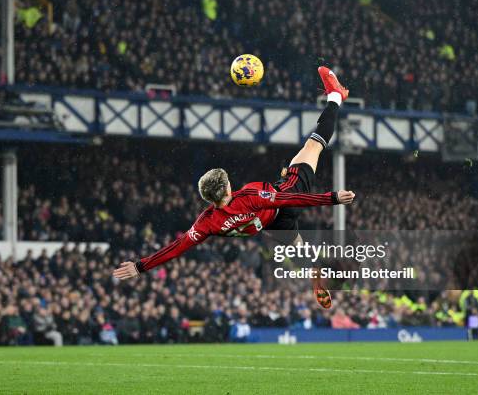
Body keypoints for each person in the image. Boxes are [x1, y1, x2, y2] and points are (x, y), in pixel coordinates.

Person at [114, 66, 354, 309]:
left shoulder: (207, 222)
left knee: (299, 248)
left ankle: (316, 269)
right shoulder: (249, 195)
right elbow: (288, 200)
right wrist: (332, 198)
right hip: (284, 200)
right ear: (228, 188)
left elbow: (176, 248)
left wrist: (140, 266)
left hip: (272, 226)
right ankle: (335, 96)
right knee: (315, 144)